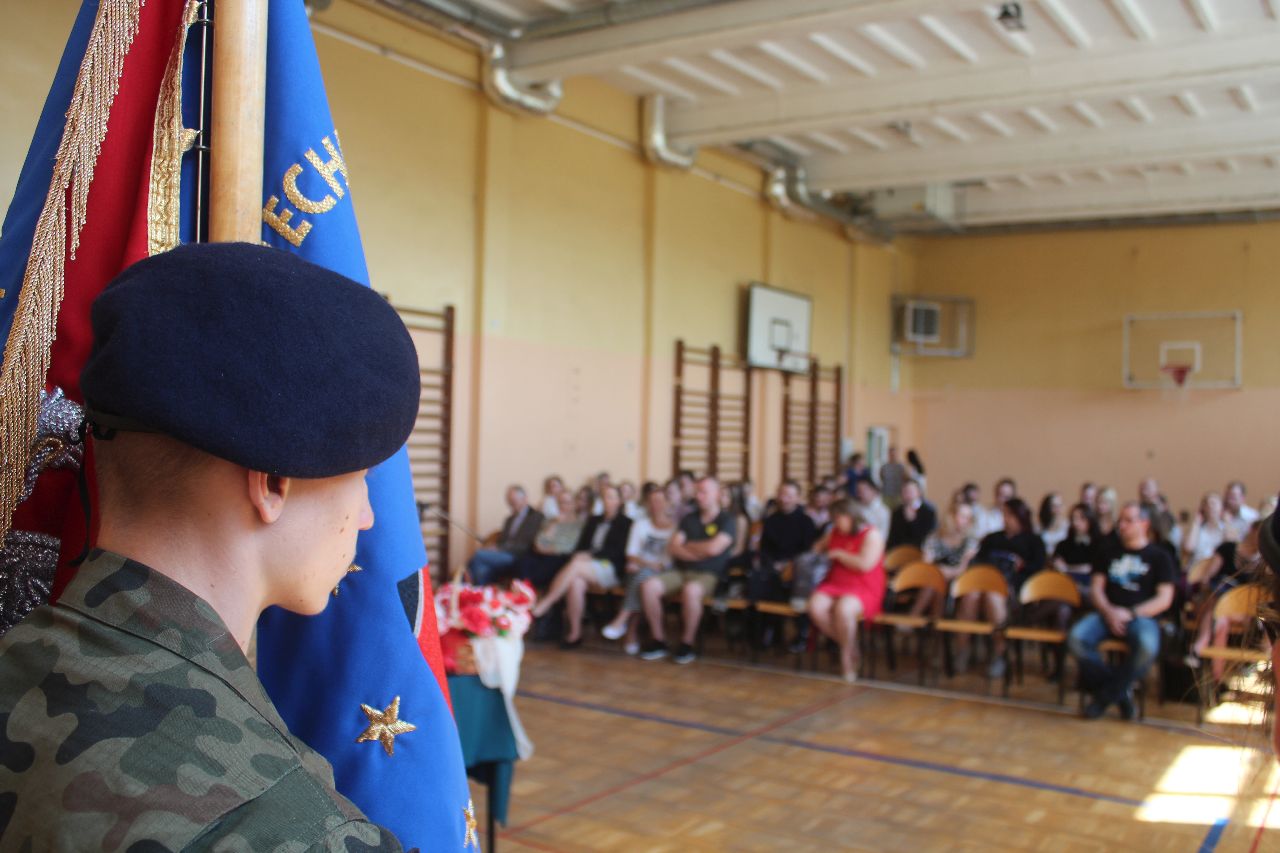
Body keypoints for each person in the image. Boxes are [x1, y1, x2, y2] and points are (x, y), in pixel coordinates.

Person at [0, 244, 409, 849]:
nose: (369, 518)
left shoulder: (16, 661)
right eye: (363, 479)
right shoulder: (295, 828)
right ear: (273, 483)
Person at [1068, 502, 1176, 720]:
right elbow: (1096, 589)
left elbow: (1164, 599)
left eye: (1128, 520)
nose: (1122, 525)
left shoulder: (1160, 556)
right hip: (1106, 613)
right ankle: (1120, 691)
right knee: (1076, 638)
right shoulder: (1107, 552)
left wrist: (1131, 613)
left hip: (1141, 617)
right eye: (1121, 521)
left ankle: (1105, 696)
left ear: (1144, 524)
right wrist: (1109, 612)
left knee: (1147, 646)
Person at [639, 476, 736, 664]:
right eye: (697, 492)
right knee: (648, 586)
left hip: (709, 575)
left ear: (717, 494)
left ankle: (687, 643)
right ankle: (658, 640)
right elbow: (673, 547)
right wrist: (699, 552)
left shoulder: (727, 520)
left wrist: (689, 545)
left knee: (691, 591)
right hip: (681, 571)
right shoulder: (689, 518)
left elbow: (714, 549)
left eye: (704, 492)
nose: (699, 496)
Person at [530, 485, 632, 648]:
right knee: (576, 583)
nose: (607, 500)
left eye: (611, 497)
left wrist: (590, 555)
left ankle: (547, 602)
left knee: (576, 565)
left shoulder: (626, 523)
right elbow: (581, 546)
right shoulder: (594, 520)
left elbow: (618, 552)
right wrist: (582, 554)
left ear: (619, 501)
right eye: (605, 497)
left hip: (609, 567)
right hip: (586, 565)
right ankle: (575, 633)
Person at [956, 497, 1045, 678]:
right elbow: (978, 561)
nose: (1006, 519)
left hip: (1012, 589)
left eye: (1010, 515)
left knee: (993, 595)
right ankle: (963, 649)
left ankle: (1000, 653)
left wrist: (1021, 565)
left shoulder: (1034, 541)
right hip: (984, 582)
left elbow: (1038, 569)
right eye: (1004, 515)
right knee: (971, 595)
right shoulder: (992, 538)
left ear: (1020, 516)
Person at [809, 500, 887, 682]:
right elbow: (816, 548)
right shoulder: (834, 532)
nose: (836, 521)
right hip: (836, 582)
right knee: (815, 606)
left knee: (844, 609)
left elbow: (865, 565)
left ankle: (846, 657)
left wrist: (839, 554)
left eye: (839, 517)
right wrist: (819, 552)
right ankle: (851, 646)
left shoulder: (872, 535)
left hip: (864, 584)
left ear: (851, 516)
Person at [1186, 520, 1266, 678]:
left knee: (1252, 614)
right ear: (1253, 530)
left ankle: (1247, 660)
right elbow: (1207, 579)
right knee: (1218, 611)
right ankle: (1216, 672)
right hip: (1214, 603)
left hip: (1242, 611)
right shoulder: (1228, 549)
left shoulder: (1263, 563)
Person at [601, 488, 676, 653]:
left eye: (659, 501)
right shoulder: (640, 524)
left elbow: (668, 561)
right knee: (642, 579)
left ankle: (624, 621)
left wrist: (644, 565)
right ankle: (630, 631)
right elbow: (631, 554)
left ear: (667, 503)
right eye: (652, 501)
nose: (655, 505)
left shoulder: (675, 528)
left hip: (663, 574)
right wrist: (646, 564)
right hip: (639, 570)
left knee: (642, 578)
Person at [748, 480, 819, 650]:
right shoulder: (770, 521)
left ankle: (801, 633)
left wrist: (789, 564)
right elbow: (764, 550)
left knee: (797, 583)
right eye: (781, 494)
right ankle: (763, 633)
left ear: (798, 498)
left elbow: (808, 552)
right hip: (773, 567)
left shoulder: (806, 522)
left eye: (789, 495)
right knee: (757, 581)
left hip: (797, 569)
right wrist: (774, 564)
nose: (784, 499)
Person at [913, 501, 979, 619]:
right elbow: (925, 565)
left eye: (968, 518)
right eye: (962, 516)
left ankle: (914, 617)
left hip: (958, 581)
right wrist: (938, 572)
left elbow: (962, 570)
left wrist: (941, 571)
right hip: (932, 578)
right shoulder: (934, 537)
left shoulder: (971, 542)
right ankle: (932, 623)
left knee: (936, 582)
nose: (966, 521)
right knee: (935, 582)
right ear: (951, 516)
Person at [466, 484, 544, 585]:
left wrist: (499, 548)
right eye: (509, 502)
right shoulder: (509, 519)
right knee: (482, 569)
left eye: (514, 501)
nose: (511, 505)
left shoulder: (536, 517)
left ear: (524, 499)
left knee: (479, 554)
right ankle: (478, 591)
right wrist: (494, 546)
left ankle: (465, 582)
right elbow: (502, 540)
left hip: (519, 556)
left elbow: (526, 544)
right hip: (503, 554)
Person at [513, 490, 584, 587]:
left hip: (560, 557)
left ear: (574, 504)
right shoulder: (550, 521)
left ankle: (527, 589)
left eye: (567, 503)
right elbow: (539, 542)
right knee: (523, 561)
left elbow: (569, 547)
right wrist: (554, 524)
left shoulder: (579, 525)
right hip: (542, 553)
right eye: (560, 503)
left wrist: (548, 549)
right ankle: (523, 589)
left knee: (550, 564)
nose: (563, 506)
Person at [1054, 502, 1101, 600]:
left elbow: (1091, 569)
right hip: (1067, 584)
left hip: (1090, 586)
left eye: (1081, 518)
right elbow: (1058, 566)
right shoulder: (1063, 545)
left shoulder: (1099, 544)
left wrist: (1068, 568)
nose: (1076, 523)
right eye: (1073, 519)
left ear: (1090, 520)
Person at [886, 478, 937, 550]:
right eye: (905, 491)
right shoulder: (897, 512)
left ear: (919, 492)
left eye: (910, 491)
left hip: (920, 551)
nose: (908, 495)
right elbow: (893, 537)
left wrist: (912, 522)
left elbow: (928, 537)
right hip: (900, 551)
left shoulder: (928, 511)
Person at [1182, 491, 1227, 566]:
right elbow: (1188, 548)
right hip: (1196, 568)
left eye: (1214, 503)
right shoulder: (1198, 528)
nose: (1211, 507)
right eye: (1207, 504)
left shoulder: (1226, 528)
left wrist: (1227, 521)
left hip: (1217, 569)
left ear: (1222, 507)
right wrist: (1196, 522)